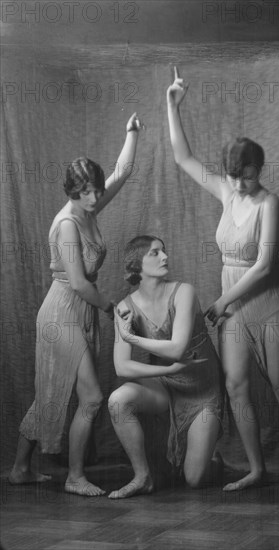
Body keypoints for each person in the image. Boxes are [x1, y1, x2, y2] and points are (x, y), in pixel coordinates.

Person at [167, 67, 279, 490]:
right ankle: (257, 469)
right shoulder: (226, 191)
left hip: (265, 299)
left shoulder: (269, 203)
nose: (238, 182)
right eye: (233, 175)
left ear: (259, 168)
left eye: (247, 174)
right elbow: (183, 158)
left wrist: (220, 303)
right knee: (236, 386)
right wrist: (172, 104)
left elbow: (265, 267)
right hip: (231, 303)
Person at [8, 113, 144, 496]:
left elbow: (124, 169)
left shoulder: (90, 209)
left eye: (97, 189)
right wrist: (112, 306)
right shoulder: (68, 223)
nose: (95, 196)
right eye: (86, 191)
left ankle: (20, 469)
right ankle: (75, 476)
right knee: (91, 396)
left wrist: (130, 132)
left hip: (79, 310)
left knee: (51, 390)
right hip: (62, 312)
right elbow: (81, 284)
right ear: (72, 190)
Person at [108, 235, 223, 499]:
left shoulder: (184, 292)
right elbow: (121, 367)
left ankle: (214, 461)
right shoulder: (126, 307)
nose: (165, 257)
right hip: (166, 385)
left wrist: (132, 338)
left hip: (202, 388)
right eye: (155, 253)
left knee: (195, 479)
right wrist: (168, 372)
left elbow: (177, 348)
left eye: (164, 251)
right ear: (137, 265)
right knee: (118, 401)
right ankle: (142, 476)